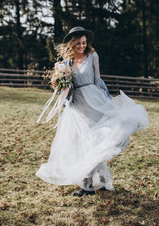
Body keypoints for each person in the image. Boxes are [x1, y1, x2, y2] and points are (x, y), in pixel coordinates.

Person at [36, 26, 149, 196]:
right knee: (83, 143)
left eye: (84, 43)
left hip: (93, 100)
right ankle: (97, 182)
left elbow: (97, 80)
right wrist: (62, 86)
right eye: (78, 43)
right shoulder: (66, 63)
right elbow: (69, 87)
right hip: (77, 106)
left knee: (94, 141)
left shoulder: (93, 56)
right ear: (72, 44)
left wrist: (107, 101)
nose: (81, 46)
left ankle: (90, 185)